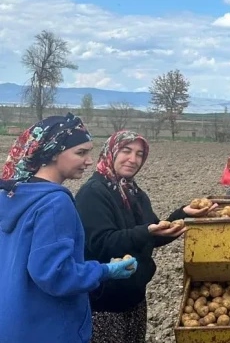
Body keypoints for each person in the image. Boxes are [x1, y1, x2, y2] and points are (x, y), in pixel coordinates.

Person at [0, 114, 137, 343]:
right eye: (80, 153)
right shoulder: (54, 202)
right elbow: (54, 274)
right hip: (49, 329)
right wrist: (105, 271)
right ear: (53, 152)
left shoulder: (12, 195)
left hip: (14, 323)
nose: (89, 161)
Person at [74, 130, 216, 343]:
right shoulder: (93, 193)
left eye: (139, 154)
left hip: (135, 298)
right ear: (111, 152)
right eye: (126, 151)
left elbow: (152, 234)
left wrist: (183, 215)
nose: (133, 159)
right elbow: (102, 243)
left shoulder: (133, 192)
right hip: (105, 304)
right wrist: (146, 231)